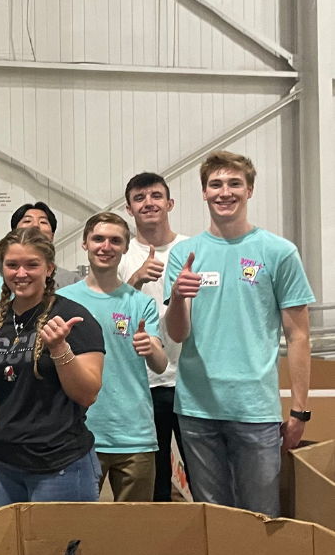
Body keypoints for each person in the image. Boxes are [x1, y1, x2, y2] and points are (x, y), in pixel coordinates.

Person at [164, 151, 314, 518]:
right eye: (215, 184)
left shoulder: (278, 252)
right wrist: (179, 297)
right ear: (203, 193)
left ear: (249, 190)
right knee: (214, 518)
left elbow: (298, 337)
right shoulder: (184, 254)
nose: (224, 192)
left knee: (262, 516)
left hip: (255, 412)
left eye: (234, 184)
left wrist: (300, 410)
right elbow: (177, 333)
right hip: (196, 411)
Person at [0, 228, 105, 509]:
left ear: (49, 268)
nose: (21, 273)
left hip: (60, 464)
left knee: (59, 553)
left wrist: (59, 349)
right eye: (12, 265)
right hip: (3, 466)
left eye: (32, 264)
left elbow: (87, 394)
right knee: (6, 553)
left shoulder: (72, 317)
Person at [59, 213, 167, 501]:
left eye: (115, 240)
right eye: (98, 239)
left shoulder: (141, 303)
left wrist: (150, 347)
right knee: (75, 528)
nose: (106, 246)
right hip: (78, 433)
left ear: (126, 248)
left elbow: (160, 364)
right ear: (84, 244)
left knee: (134, 531)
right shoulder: (63, 301)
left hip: (134, 435)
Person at [117, 172, 190, 501]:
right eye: (140, 198)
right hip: (141, 383)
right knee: (154, 480)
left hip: (190, 380)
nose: (149, 203)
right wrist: (133, 280)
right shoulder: (119, 256)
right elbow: (109, 317)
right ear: (129, 209)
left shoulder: (191, 248)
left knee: (202, 472)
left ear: (169, 203)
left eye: (156, 196)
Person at [0, 154, 79, 286]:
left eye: (43, 222)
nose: (35, 225)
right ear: (14, 234)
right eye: (27, 221)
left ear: (52, 236)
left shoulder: (70, 281)